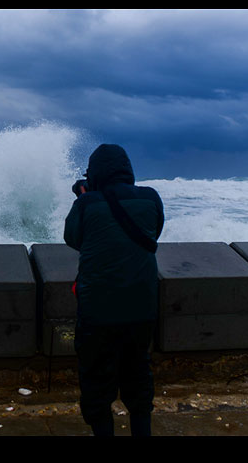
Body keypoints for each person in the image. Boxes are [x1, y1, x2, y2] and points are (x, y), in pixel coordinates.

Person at [63, 143, 164, 436]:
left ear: (94, 174)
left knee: (96, 380)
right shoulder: (150, 198)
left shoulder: (86, 203)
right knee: (138, 374)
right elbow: (152, 232)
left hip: (98, 311)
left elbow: (74, 238)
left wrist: (86, 198)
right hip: (142, 308)